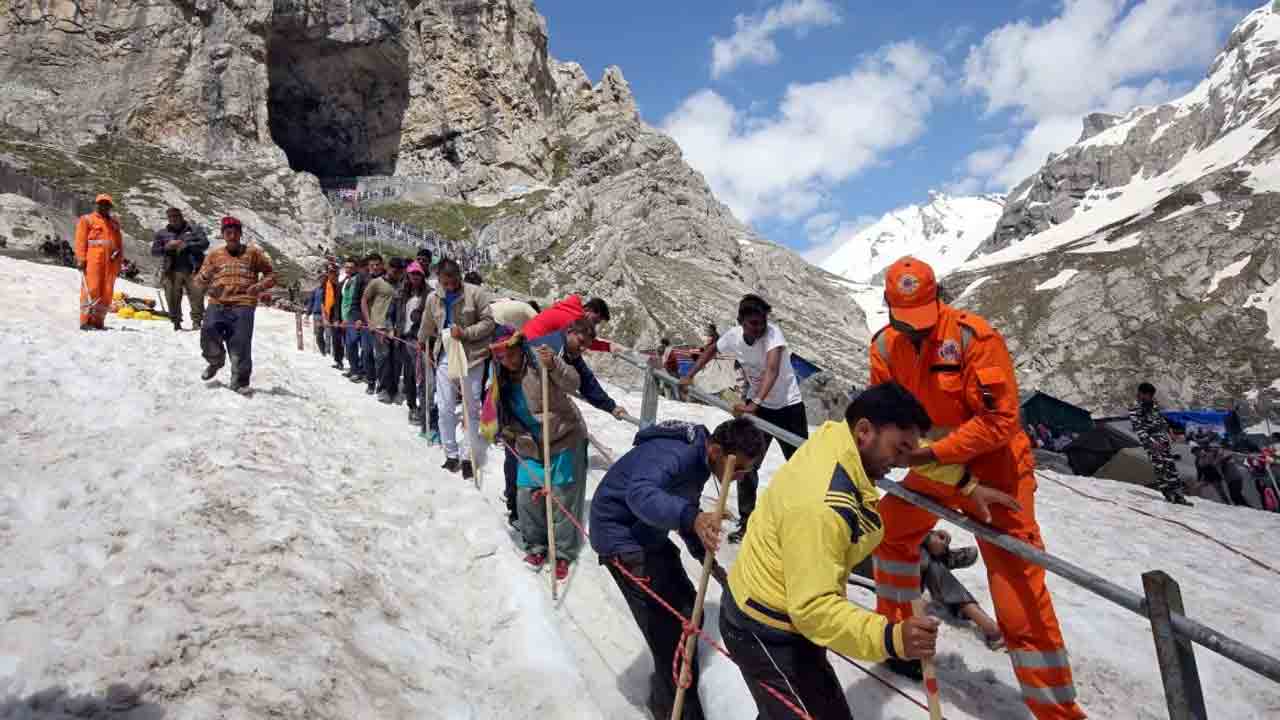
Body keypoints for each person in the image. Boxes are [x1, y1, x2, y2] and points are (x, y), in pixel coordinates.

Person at [868, 256, 1085, 719]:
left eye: (924, 321)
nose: (917, 334)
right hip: (938, 470)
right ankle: (901, 642)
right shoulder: (884, 348)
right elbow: (886, 413)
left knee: (1018, 592)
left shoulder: (974, 337)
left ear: (940, 298)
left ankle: (1056, 712)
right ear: (887, 308)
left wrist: (929, 455)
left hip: (996, 473)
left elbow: (1001, 421)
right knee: (889, 532)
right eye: (907, 324)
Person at [721, 382, 940, 720]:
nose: (902, 463)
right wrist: (890, 637)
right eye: (899, 450)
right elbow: (812, 607)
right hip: (765, 627)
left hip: (780, 609)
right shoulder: (822, 506)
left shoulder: (838, 439)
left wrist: (967, 483)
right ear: (865, 431)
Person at [591, 417, 767, 720]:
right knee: (668, 631)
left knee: (688, 609)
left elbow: (686, 507)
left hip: (648, 533)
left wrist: (702, 553)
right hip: (622, 539)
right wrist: (693, 518)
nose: (739, 477)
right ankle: (676, 710)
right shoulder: (676, 456)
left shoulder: (700, 461)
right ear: (715, 450)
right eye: (737, 469)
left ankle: (668, 692)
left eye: (746, 472)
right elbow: (640, 495)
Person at [680, 293, 809, 544]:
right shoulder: (734, 336)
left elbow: (772, 370)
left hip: (788, 407)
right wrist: (690, 375)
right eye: (752, 324)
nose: (758, 328)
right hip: (759, 406)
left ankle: (801, 523)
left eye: (761, 322)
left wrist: (754, 403)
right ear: (741, 321)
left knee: (800, 466)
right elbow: (710, 352)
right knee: (746, 464)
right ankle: (747, 521)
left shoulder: (773, 335)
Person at [495, 337, 584, 579]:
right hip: (530, 444)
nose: (508, 361)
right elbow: (496, 411)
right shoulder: (498, 377)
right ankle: (536, 547)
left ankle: (563, 553)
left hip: (563, 437)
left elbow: (574, 382)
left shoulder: (539, 360)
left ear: (520, 349)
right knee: (525, 495)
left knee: (561, 497)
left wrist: (554, 364)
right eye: (502, 358)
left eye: (511, 355)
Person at [418, 258, 496, 479]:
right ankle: (450, 453)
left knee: (471, 407)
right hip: (444, 353)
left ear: (459, 277)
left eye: (453, 282)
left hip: (472, 356)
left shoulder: (476, 294)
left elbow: (489, 322)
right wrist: (420, 341)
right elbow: (427, 324)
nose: (450, 286)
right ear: (440, 280)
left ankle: (468, 456)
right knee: (444, 406)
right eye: (445, 283)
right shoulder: (433, 299)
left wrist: (465, 333)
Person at [193, 216, 276, 394]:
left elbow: (271, 275)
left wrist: (259, 286)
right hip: (218, 302)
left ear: (240, 234)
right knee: (208, 331)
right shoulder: (214, 255)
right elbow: (198, 282)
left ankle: (239, 381)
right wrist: (206, 275)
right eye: (227, 232)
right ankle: (215, 361)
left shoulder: (253, 253)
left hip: (244, 304)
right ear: (223, 235)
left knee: (240, 343)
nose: (231, 235)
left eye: (235, 232)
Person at [1130, 382, 1192, 505]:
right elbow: (1139, 429)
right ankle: (1169, 495)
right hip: (1152, 443)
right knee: (1161, 469)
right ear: (1142, 394)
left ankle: (1179, 496)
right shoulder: (1135, 408)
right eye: (1148, 395)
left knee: (1171, 468)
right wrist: (1151, 442)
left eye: (1151, 395)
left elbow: (1161, 420)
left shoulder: (1154, 405)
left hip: (1163, 441)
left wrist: (1170, 432)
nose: (1150, 397)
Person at [150, 207, 209, 331]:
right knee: (171, 296)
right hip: (171, 270)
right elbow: (154, 252)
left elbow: (205, 243)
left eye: (176, 216)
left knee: (197, 296)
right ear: (168, 218)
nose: (173, 219)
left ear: (181, 216)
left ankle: (197, 322)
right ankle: (176, 321)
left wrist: (187, 245)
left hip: (193, 269)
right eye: (171, 217)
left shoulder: (194, 230)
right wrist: (166, 247)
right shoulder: (162, 233)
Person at [74, 194, 124, 330]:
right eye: (101, 203)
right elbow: (80, 241)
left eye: (106, 204)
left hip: (111, 262)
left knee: (107, 292)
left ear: (110, 206)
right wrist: (81, 259)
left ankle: (98, 321)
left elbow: (119, 245)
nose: (104, 206)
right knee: (92, 288)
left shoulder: (114, 223)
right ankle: (86, 321)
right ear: (96, 204)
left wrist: (119, 263)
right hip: (93, 260)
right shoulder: (87, 220)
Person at [395, 261, 432, 425]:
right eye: (412, 274)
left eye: (418, 274)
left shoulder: (430, 294)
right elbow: (397, 314)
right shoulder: (403, 293)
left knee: (423, 376)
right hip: (405, 338)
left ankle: (425, 410)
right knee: (409, 374)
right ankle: (412, 406)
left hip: (421, 340)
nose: (415, 277)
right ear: (408, 275)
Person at [361, 254, 400, 401]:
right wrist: (369, 321)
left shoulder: (400, 285)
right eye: (393, 270)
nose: (395, 273)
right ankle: (382, 388)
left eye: (398, 271)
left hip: (394, 327)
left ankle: (392, 388)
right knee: (382, 357)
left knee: (394, 359)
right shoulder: (376, 283)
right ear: (388, 268)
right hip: (379, 326)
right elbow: (364, 300)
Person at [341, 257, 370, 384]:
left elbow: (360, 300)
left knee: (357, 344)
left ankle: (360, 370)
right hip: (347, 316)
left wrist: (359, 317)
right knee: (349, 344)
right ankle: (354, 368)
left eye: (351, 267)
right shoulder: (345, 281)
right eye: (347, 267)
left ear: (357, 268)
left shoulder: (361, 279)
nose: (349, 269)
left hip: (356, 316)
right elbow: (342, 300)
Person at [322, 264, 344, 370]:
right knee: (335, 339)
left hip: (339, 316)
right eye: (330, 273)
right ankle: (338, 360)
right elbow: (323, 302)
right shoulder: (326, 285)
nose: (332, 275)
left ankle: (340, 360)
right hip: (330, 315)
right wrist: (325, 316)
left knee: (338, 339)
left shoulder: (340, 286)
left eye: (334, 273)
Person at [308, 273, 329, 356]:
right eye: (321, 279)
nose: (322, 280)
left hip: (327, 315)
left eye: (324, 279)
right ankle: (323, 351)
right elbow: (311, 302)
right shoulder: (316, 290)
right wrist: (307, 313)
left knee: (328, 335)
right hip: (317, 315)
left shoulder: (329, 290)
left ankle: (328, 352)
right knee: (318, 335)